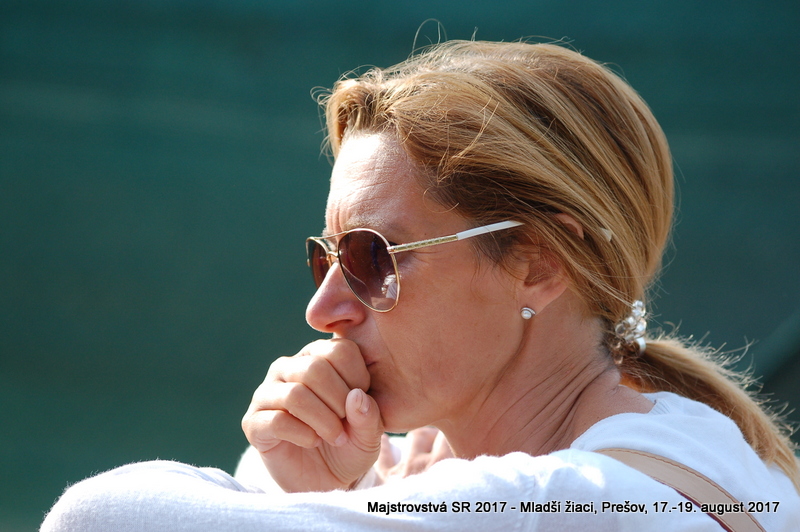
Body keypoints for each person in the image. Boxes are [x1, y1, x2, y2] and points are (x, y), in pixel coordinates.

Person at [41, 40, 800, 531]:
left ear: (538, 262)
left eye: (373, 257)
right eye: (326, 257)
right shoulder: (683, 447)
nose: (322, 309)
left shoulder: (576, 502)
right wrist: (315, 490)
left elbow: (95, 518)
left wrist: (319, 501)